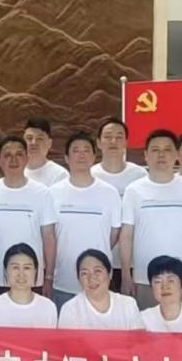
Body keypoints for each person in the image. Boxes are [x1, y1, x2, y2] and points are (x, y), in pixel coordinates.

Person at [119, 129, 182, 310]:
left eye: (167, 149)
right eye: (155, 150)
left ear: (176, 155)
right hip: (144, 279)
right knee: (146, 326)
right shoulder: (134, 190)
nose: (161, 155)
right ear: (146, 155)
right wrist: (126, 275)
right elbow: (126, 236)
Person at [0, 136, 57, 299]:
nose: (13, 160)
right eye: (7, 155)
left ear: (27, 158)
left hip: (32, 278)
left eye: (19, 154)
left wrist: (48, 276)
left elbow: (49, 237)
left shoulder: (42, 193)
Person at [48, 132, 121, 308]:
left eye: (86, 150)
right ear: (66, 158)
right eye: (76, 150)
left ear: (94, 157)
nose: (81, 155)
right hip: (63, 281)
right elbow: (49, 235)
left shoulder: (109, 193)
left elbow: (114, 234)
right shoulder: (53, 193)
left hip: (99, 283)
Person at [91, 117, 148, 289]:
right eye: (108, 136)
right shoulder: (91, 175)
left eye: (119, 136)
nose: (113, 141)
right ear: (99, 143)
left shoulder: (139, 175)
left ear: (126, 142)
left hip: (134, 261)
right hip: (98, 259)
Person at [58, 249, 143, 330]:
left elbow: (138, 339)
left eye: (97, 271)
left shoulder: (128, 304)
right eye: (84, 273)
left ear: (110, 274)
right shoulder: (70, 309)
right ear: (78, 279)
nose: (91, 278)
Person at [0, 243, 58, 328]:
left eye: (27, 268)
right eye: (15, 267)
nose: (21, 274)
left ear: (35, 271)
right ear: (5, 271)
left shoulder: (48, 307)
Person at [23, 117, 68, 186]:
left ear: (49, 143)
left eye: (39, 139)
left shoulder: (60, 175)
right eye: (29, 138)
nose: (33, 142)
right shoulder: (15, 171)